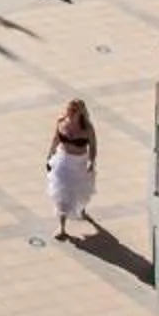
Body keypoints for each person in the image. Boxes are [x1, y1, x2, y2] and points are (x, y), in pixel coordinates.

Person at [47, 98, 98, 240]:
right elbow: (55, 139)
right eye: (69, 109)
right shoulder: (61, 122)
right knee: (62, 195)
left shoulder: (87, 128)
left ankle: (82, 209)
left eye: (74, 110)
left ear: (81, 112)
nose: (70, 112)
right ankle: (62, 227)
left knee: (80, 191)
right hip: (63, 161)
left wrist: (91, 161)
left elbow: (93, 147)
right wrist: (49, 154)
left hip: (79, 163)